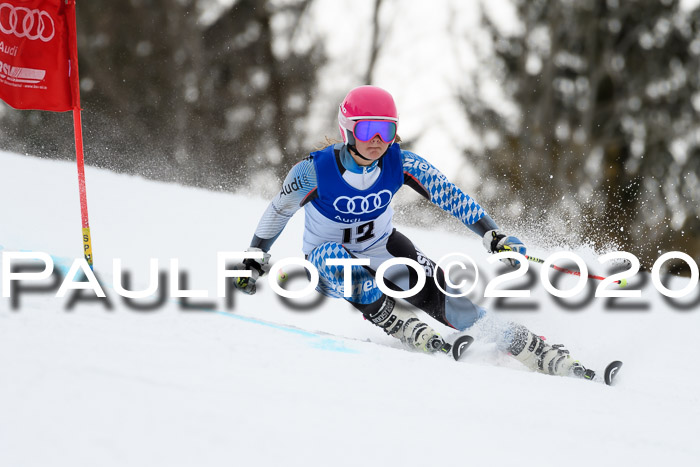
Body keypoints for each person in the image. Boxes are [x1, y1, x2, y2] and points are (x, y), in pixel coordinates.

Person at [234, 85, 593, 379]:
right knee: (337, 260)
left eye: (386, 130)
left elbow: (449, 195)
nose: (377, 140)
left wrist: (492, 234)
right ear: (348, 129)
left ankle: (524, 344)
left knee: (453, 305)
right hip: (327, 264)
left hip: (383, 248)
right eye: (366, 130)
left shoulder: (401, 163)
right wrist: (253, 256)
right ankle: (397, 322)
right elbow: (278, 210)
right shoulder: (313, 172)